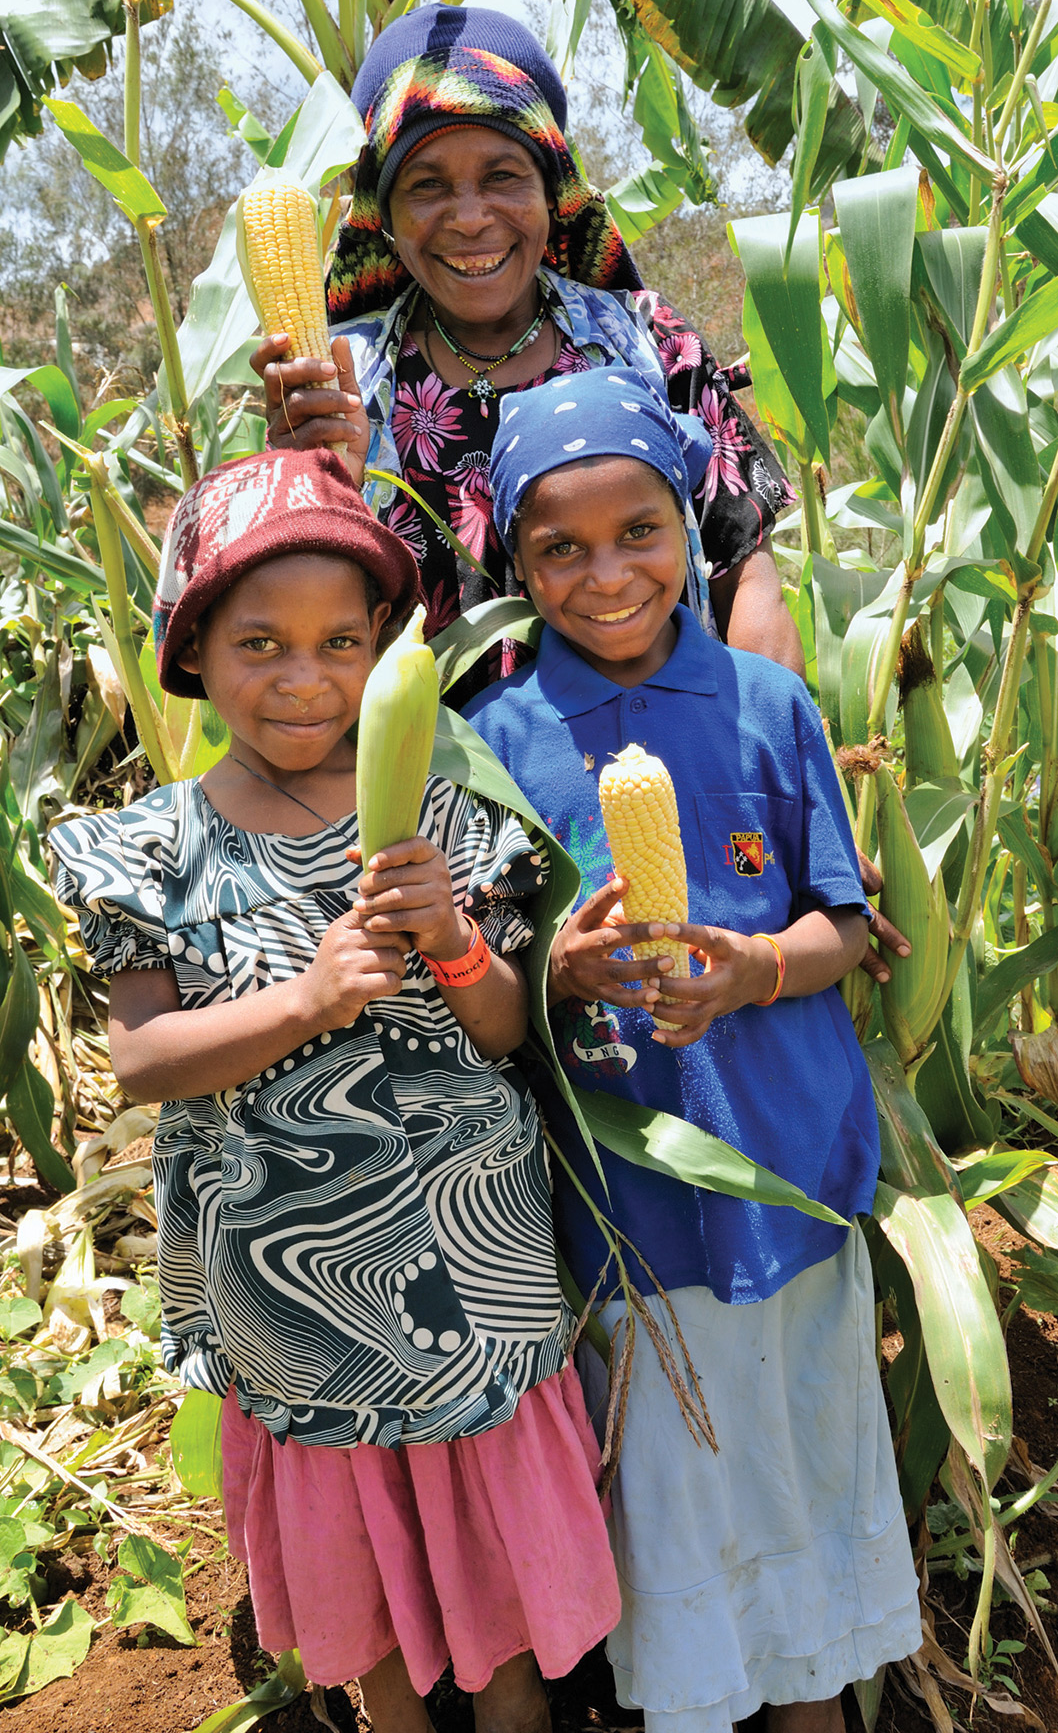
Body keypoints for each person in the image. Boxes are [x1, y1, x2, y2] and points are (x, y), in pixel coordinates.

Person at [49, 447, 621, 1733]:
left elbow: (497, 1032)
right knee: (358, 1601)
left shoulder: (446, 820)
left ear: (380, 652)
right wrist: (307, 1000)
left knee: (507, 1618)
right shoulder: (149, 848)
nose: (302, 679)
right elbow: (139, 1059)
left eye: (337, 643)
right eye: (259, 643)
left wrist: (457, 940)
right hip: (291, 1294)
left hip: (469, 1276)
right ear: (191, 649)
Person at [464, 369, 922, 1733]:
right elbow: (488, 989)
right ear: (511, 558)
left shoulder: (766, 708)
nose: (606, 575)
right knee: (679, 1500)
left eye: (640, 532)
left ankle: (816, 1707)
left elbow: (840, 925)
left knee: (802, 1466)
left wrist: (754, 970)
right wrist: (563, 968)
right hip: (634, 1219)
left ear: (689, 527)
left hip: (782, 1175)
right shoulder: (493, 748)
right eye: (559, 548)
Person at [249, 4, 804, 684]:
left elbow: (744, 575)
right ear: (384, 219)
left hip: (663, 769)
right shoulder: (339, 384)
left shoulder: (646, 342)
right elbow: (295, 636)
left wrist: (776, 763)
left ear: (554, 194)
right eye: (426, 186)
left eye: (503, 176)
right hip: (426, 783)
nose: (471, 218)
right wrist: (312, 487)